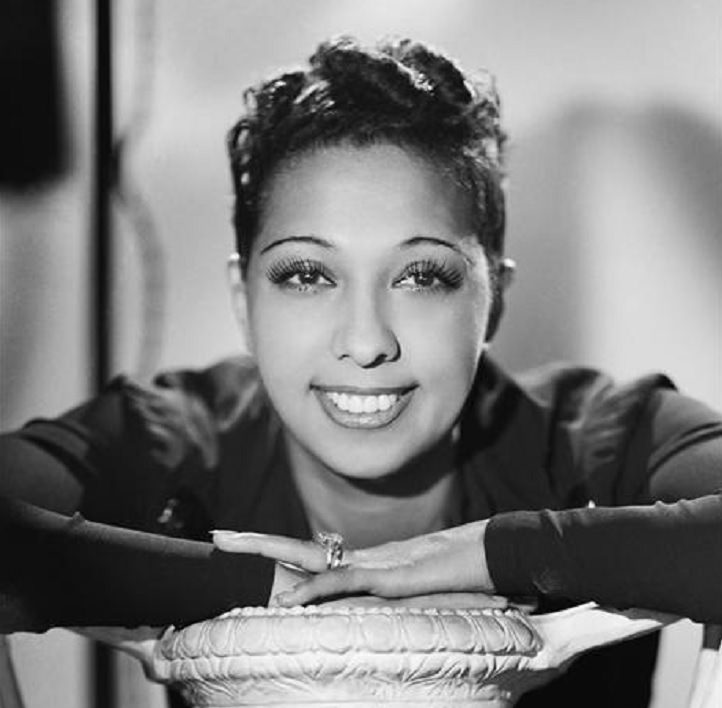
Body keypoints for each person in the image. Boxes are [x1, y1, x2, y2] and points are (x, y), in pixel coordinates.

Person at [1, 35, 720, 707]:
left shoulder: (597, 436)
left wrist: (486, 554)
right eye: (309, 274)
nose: (367, 341)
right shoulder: (178, 433)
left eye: (422, 276)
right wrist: (259, 588)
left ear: (493, 298)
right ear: (242, 301)